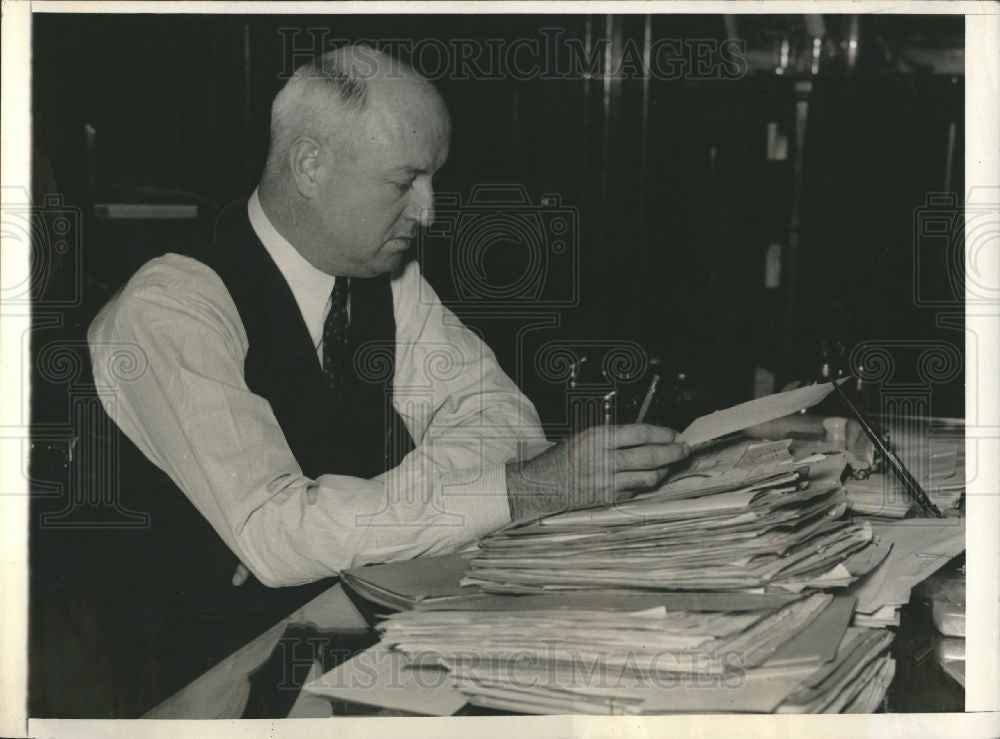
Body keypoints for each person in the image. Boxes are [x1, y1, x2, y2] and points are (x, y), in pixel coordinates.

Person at [39, 47, 689, 717]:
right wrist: (519, 488)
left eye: (432, 179)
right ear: (311, 165)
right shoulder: (172, 308)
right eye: (405, 180)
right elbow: (278, 531)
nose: (429, 212)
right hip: (186, 683)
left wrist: (366, 511)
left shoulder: (385, 281)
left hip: (331, 634)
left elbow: (502, 418)